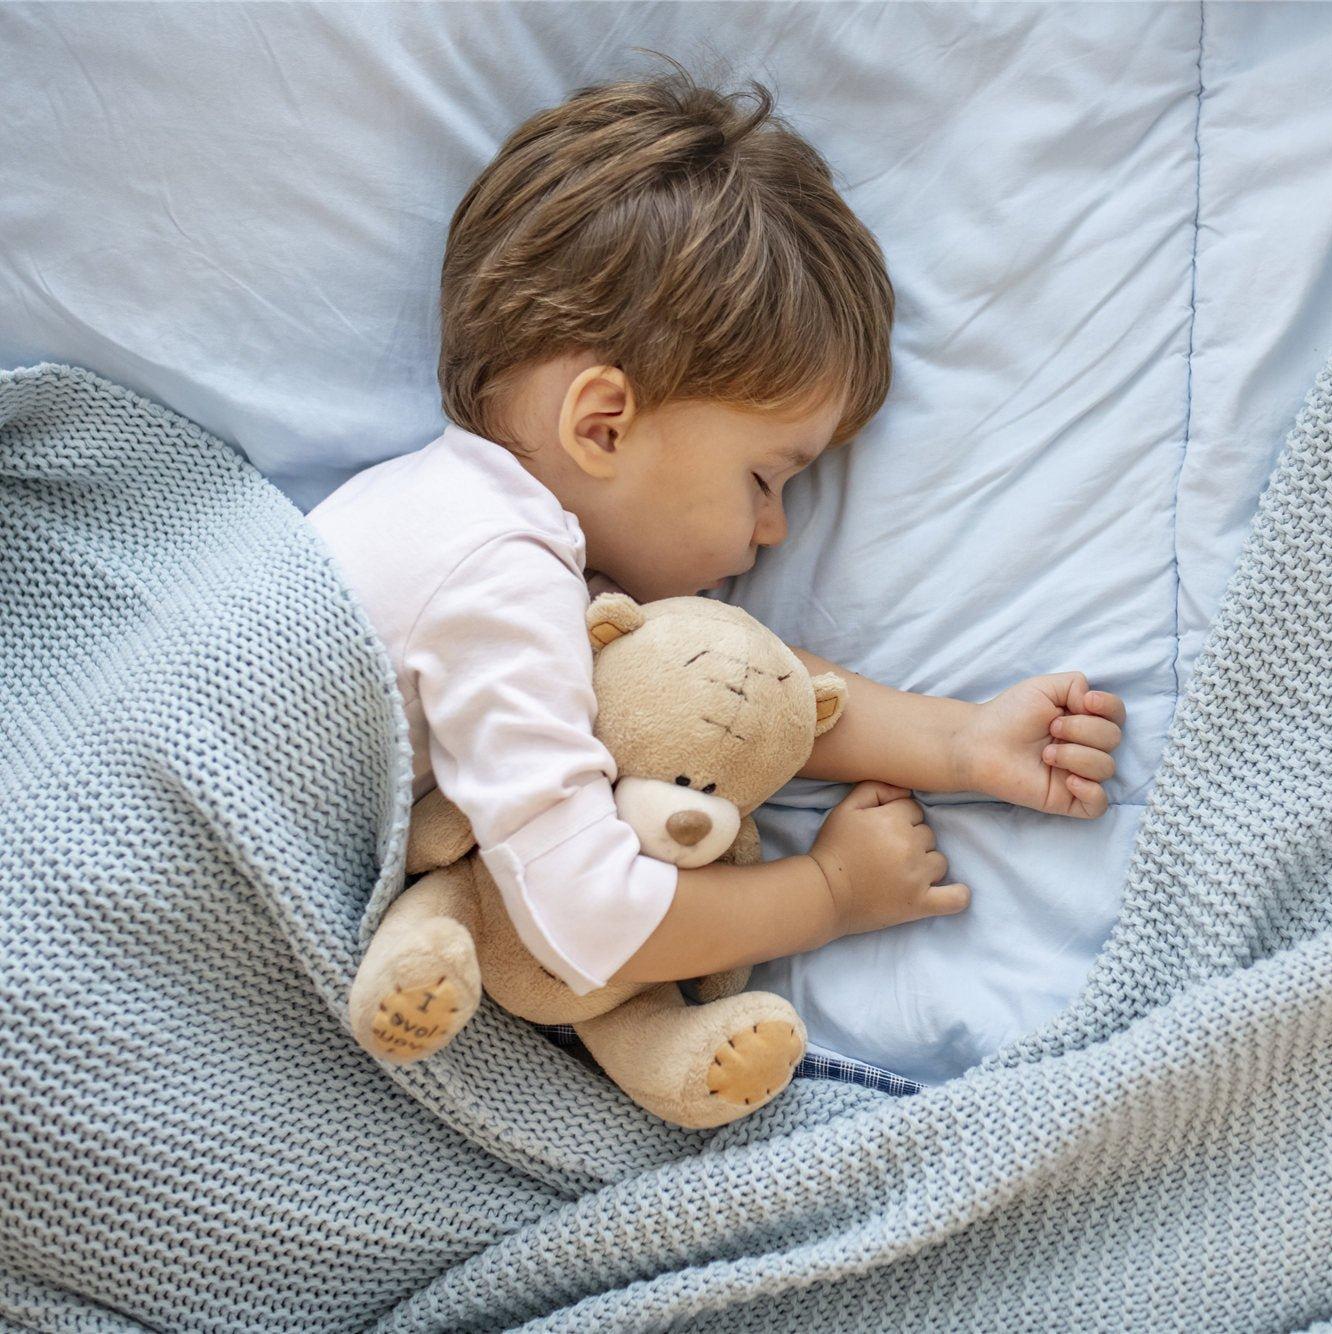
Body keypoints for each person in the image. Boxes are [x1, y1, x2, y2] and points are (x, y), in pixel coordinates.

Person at [307, 54, 1126, 999]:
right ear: (603, 425)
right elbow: (587, 920)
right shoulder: (494, 574)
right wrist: (829, 893)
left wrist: (961, 742)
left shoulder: (454, 521)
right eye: (765, 477)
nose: (774, 530)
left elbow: (715, 695)